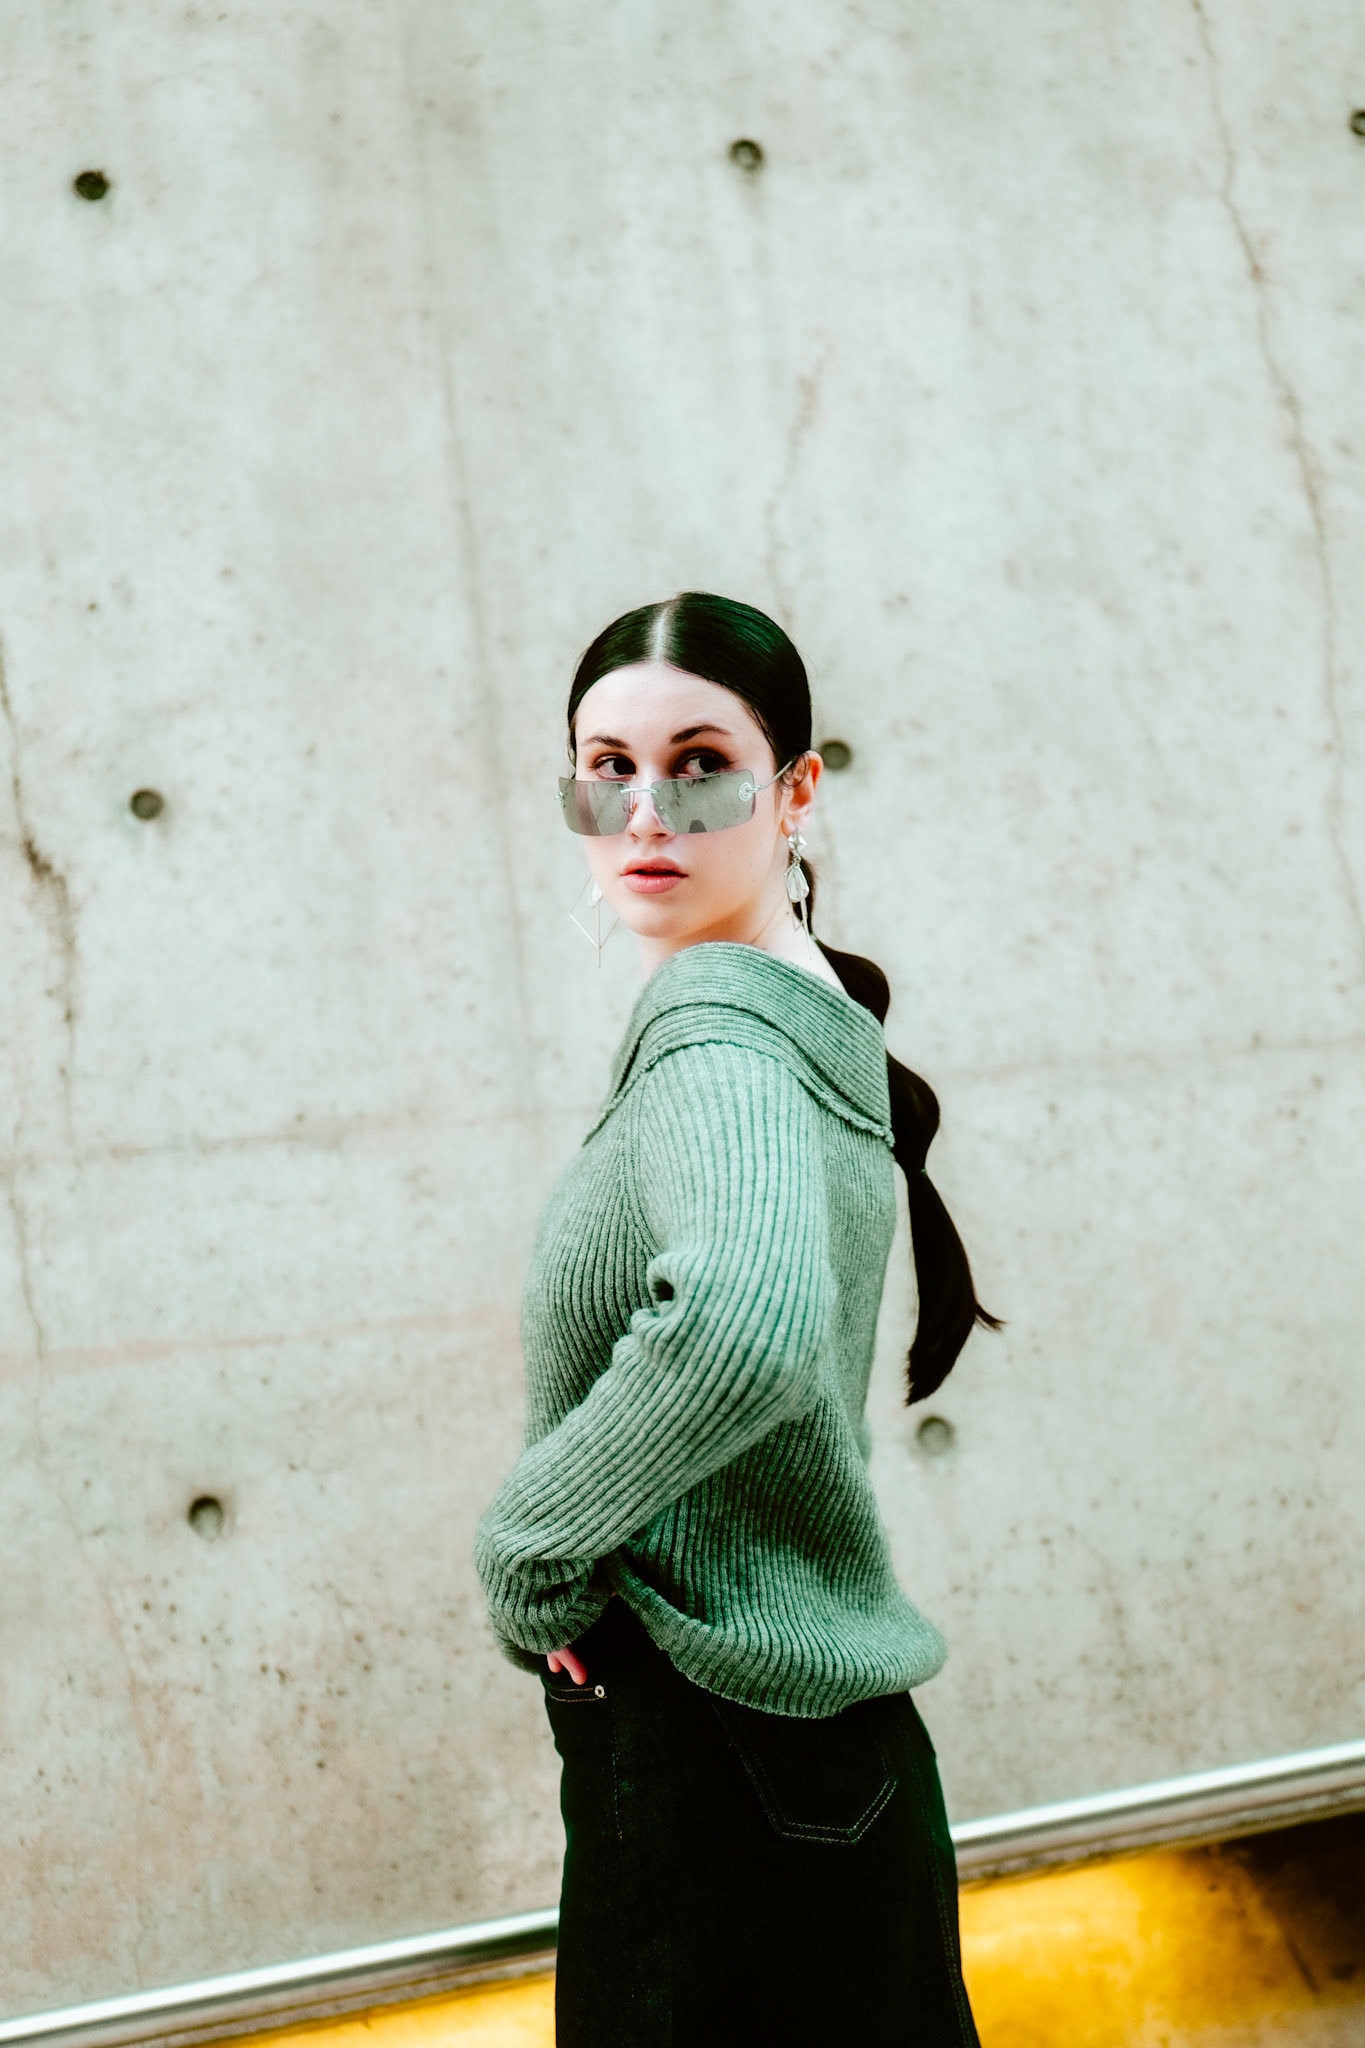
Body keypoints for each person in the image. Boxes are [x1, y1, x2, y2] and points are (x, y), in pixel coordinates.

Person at [474, 592, 999, 2046]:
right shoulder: (801, 1010)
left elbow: (743, 1326)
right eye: (607, 770)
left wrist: (528, 1549)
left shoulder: (717, 1029)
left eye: (701, 765)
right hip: (819, 1761)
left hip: (715, 1759)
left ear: (797, 788)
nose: (646, 813)